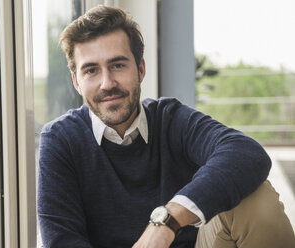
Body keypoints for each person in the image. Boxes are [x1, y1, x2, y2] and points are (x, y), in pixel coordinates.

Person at [37, 5, 295, 248]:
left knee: (255, 198)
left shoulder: (169, 119)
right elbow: (62, 241)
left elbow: (245, 153)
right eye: (91, 70)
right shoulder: (61, 139)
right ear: (76, 82)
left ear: (140, 69)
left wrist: (167, 220)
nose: (107, 83)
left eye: (117, 65)